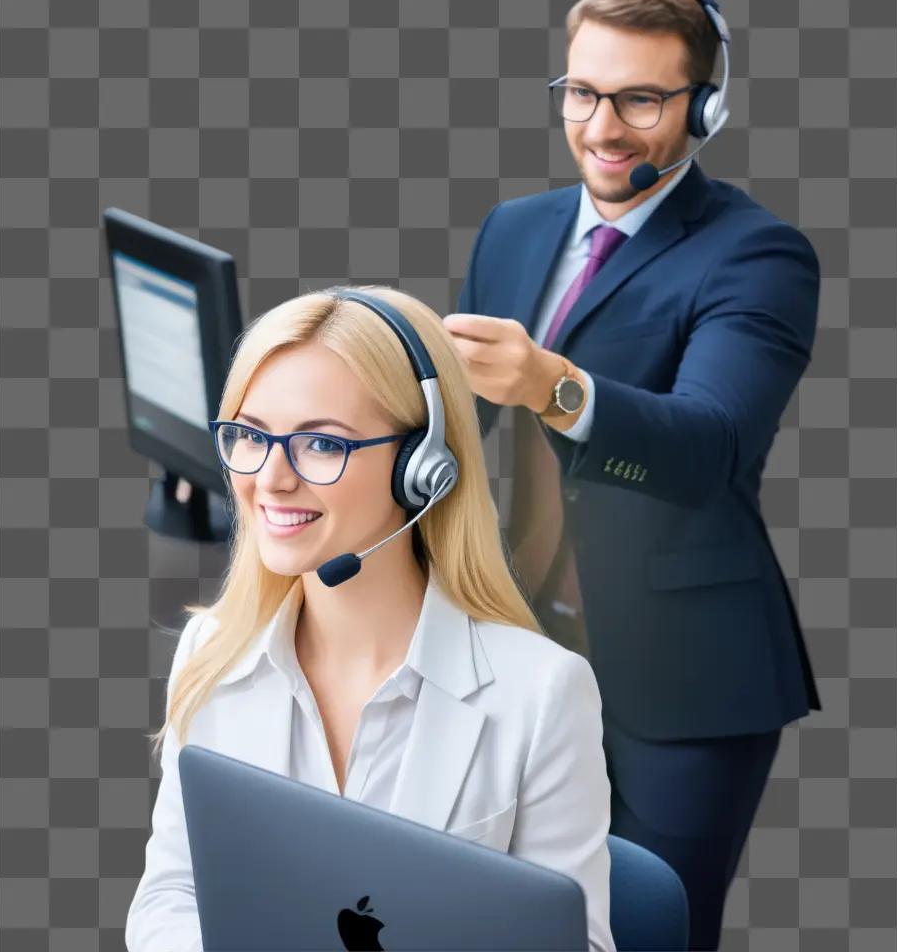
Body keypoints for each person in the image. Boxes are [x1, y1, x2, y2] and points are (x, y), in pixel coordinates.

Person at [444, 0, 821, 950]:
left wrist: (551, 384)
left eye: (641, 99)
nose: (603, 128)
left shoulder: (756, 255)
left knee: (650, 932)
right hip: (520, 650)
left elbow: (710, 446)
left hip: (685, 676)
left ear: (705, 107)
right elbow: (458, 429)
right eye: (583, 93)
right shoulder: (514, 230)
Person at [125, 286, 615, 952]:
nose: (271, 478)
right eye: (249, 435)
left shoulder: (542, 696)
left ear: (423, 470)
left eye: (322, 444)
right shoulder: (213, 652)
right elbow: (169, 894)